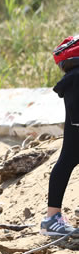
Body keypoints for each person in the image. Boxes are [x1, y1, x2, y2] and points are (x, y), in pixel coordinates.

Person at [41, 36, 79, 236]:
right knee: (66, 161)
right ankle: (51, 220)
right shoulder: (77, 76)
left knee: (67, 161)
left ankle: (51, 219)